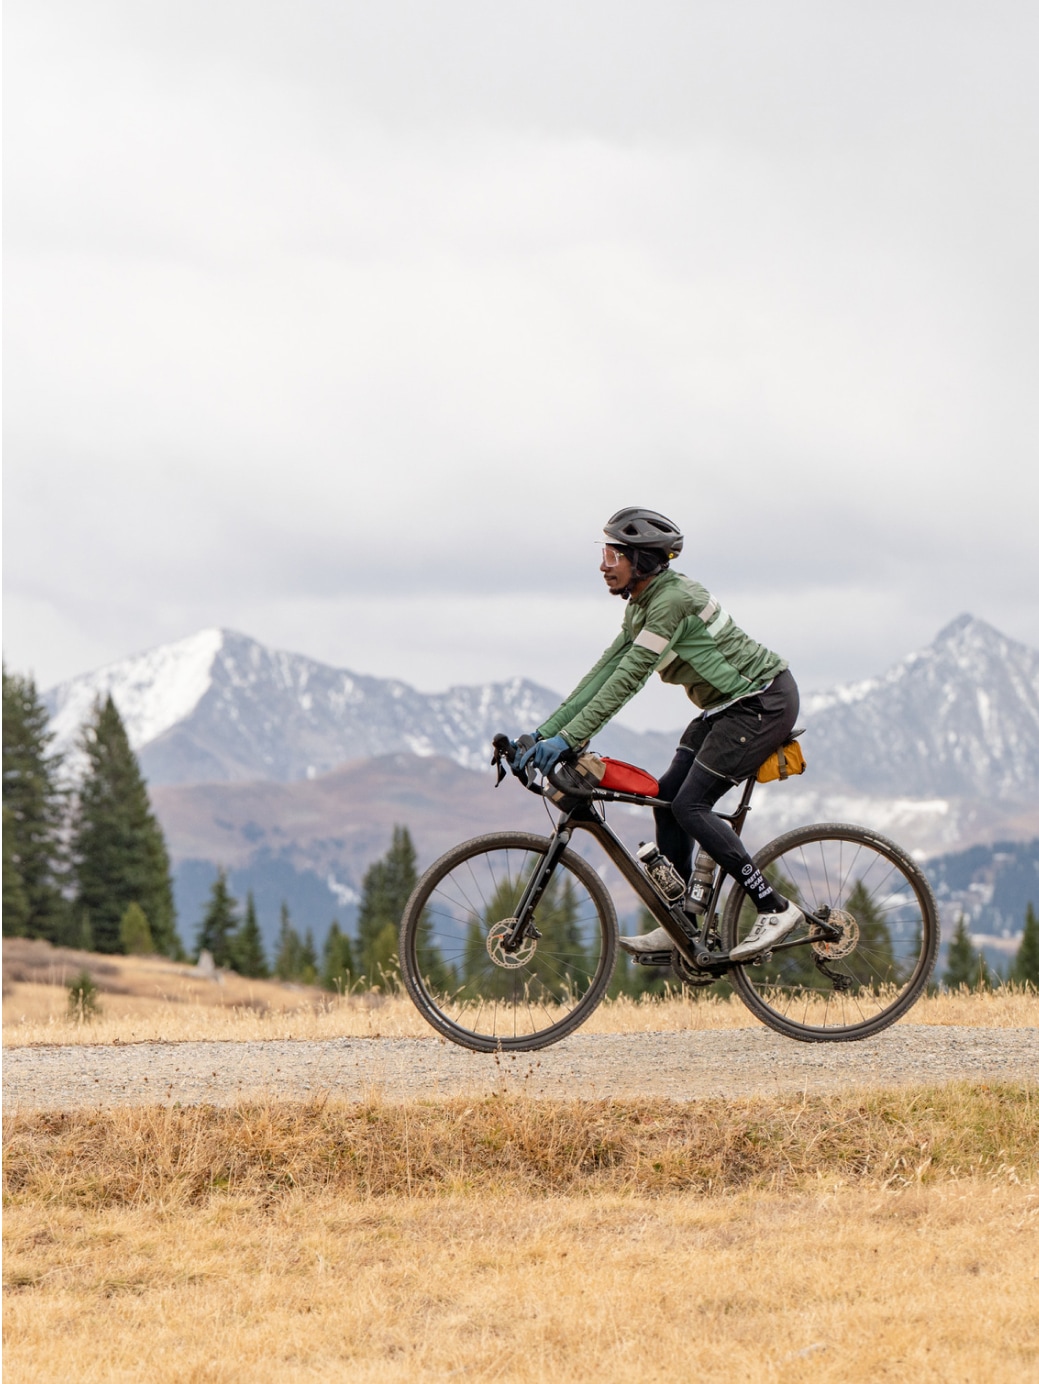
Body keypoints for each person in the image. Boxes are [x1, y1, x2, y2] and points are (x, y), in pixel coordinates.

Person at [516, 506, 803, 962]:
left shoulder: (671, 602)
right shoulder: (643, 605)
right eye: (604, 553)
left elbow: (629, 678)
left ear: (642, 560)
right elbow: (603, 673)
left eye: (613, 554)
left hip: (761, 702)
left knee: (691, 806)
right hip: (726, 707)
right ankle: (682, 922)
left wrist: (570, 740)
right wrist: (542, 733)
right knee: (668, 798)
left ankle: (773, 906)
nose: (603, 564)